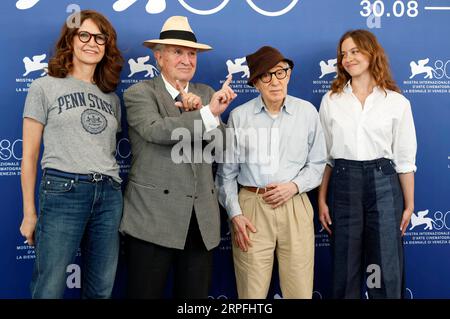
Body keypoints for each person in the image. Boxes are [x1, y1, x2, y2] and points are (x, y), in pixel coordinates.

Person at [120, 16, 236, 299]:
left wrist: (205, 114)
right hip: (152, 221)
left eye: (191, 53)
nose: (187, 59)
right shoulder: (140, 93)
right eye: (177, 52)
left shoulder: (207, 94)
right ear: (159, 57)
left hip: (200, 222)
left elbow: (221, 147)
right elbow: (156, 131)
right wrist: (203, 115)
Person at [20, 10, 124, 298]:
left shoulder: (112, 98)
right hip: (63, 190)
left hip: (109, 195)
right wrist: (29, 213)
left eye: (100, 38)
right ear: (71, 40)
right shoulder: (44, 86)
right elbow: (28, 156)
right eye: (84, 35)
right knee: (49, 288)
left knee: (100, 290)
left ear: (107, 45)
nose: (92, 43)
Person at [216, 46, 327, 299]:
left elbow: (318, 163)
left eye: (281, 73)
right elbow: (226, 174)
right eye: (266, 76)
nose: (275, 81)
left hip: (295, 205)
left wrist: (294, 186)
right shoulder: (239, 117)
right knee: (251, 293)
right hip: (252, 209)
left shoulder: (307, 112)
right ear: (255, 82)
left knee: (299, 290)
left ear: (289, 75)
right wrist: (235, 214)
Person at [318, 29, 417, 299]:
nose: (348, 59)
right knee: (345, 268)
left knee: (384, 267)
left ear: (372, 53)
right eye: (343, 54)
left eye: (354, 51)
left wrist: (409, 204)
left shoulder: (397, 103)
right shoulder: (331, 101)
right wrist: (322, 198)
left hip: (384, 185)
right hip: (344, 182)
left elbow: (405, 161)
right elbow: (326, 157)